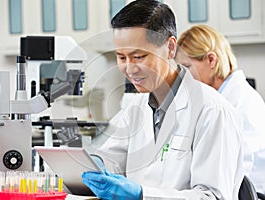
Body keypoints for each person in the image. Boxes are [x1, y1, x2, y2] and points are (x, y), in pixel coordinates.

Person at [82, 1, 244, 199]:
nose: (130, 68)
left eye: (139, 56)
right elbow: (109, 160)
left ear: (170, 48)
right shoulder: (136, 107)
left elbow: (214, 196)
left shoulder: (212, 110)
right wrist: (90, 165)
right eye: (121, 58)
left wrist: (142, 195)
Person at [176, 24, 265, 194]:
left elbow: (242, 174)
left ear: (211, 60)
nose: (182, 77)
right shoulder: (221, 97)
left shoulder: (240, 103)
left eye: (187, 67)